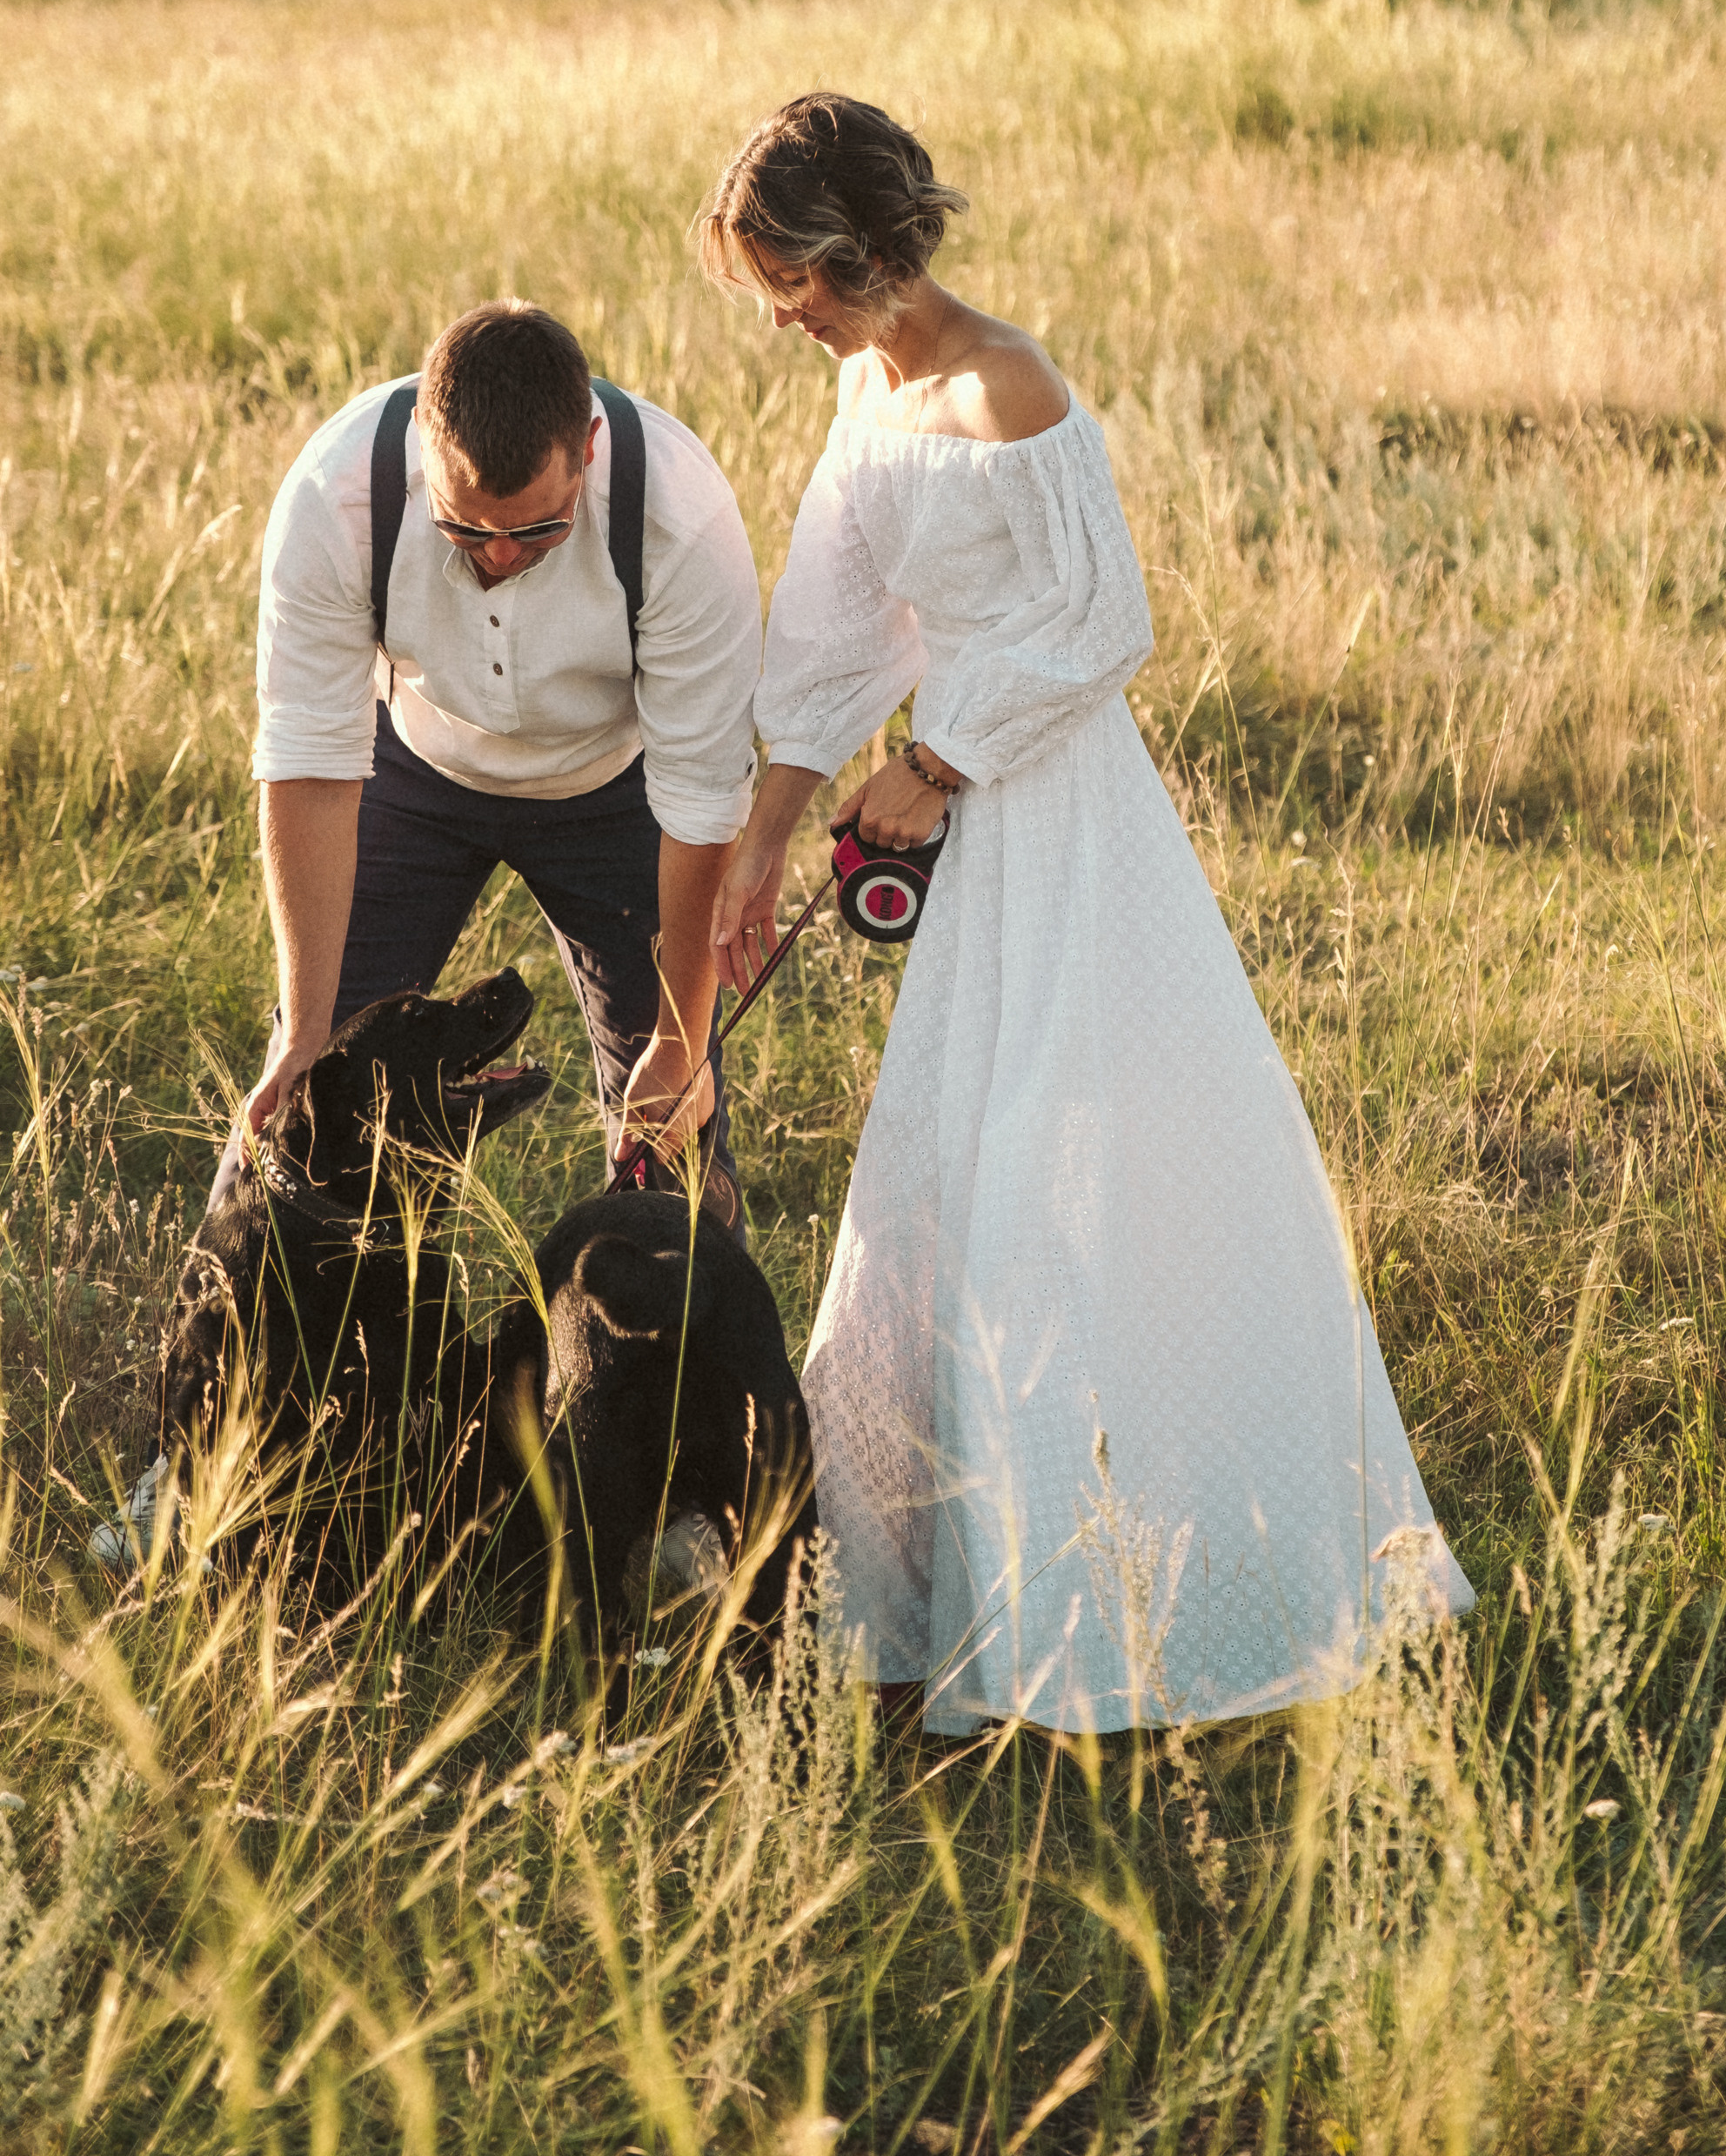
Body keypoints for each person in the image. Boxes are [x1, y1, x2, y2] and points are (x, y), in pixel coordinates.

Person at [702, 94, 1473, 1737]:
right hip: (960, 837)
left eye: (800, 284)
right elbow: (833, 628)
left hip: (1058, 817)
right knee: (937, 1178)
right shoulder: (867, 387)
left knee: (1080, 1167)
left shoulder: (1010, 383)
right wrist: (766, 844)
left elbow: (1107, 617)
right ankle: (916, 1591)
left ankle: (1127, 1598)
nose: (786, 318)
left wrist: (943, 761)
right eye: (773, 290)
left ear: (872, 249)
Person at [225, 297, 760, 1229]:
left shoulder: (680, 515)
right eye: (465, 531)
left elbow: (702, 797)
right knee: (307, 1102)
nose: (501, 558)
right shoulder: (335, 492)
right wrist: (304, 1027)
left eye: (539, 531)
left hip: (619, 789)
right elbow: (309, 761)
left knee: (672, 1121)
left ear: (587, 449)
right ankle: (248, 1352)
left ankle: (680, 1364)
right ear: (422, 452)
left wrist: (680, 1040)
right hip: (414, 768)